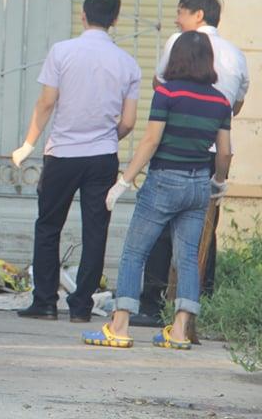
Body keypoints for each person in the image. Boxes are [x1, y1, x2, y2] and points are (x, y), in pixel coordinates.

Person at [83, 31, 232, 350]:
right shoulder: (220, 101)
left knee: (135, 252)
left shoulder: (167, 93)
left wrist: (124, 181)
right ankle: (179, 332)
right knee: (187, 257)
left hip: (164, 180)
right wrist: (218, 182)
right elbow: (224, 151)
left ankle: (119, 327)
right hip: (198, 185)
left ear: (176, 58)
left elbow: (151, 140)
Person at [13, 0, 141, 323]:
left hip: (62, 154)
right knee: (95, 230)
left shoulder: (62, 52)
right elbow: (129, 121)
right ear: (115, 19)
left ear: (83, 15)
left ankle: (44, 302)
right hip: (103, 157)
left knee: (48, 225)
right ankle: (82, 306)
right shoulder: (128, 63)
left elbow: (46, 103)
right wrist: (106, 137)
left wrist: (28, 144)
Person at [134, 0, 250, 325]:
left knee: (159, 228)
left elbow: (160, 84)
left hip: (175, 150)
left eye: (180, 12)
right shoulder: (237, 54)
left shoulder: (178, 41)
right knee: (203, 233)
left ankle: (151, 305)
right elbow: (236, 105)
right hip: (213, 154)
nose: (176, 19)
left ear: (198, 15)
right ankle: (201, 307)